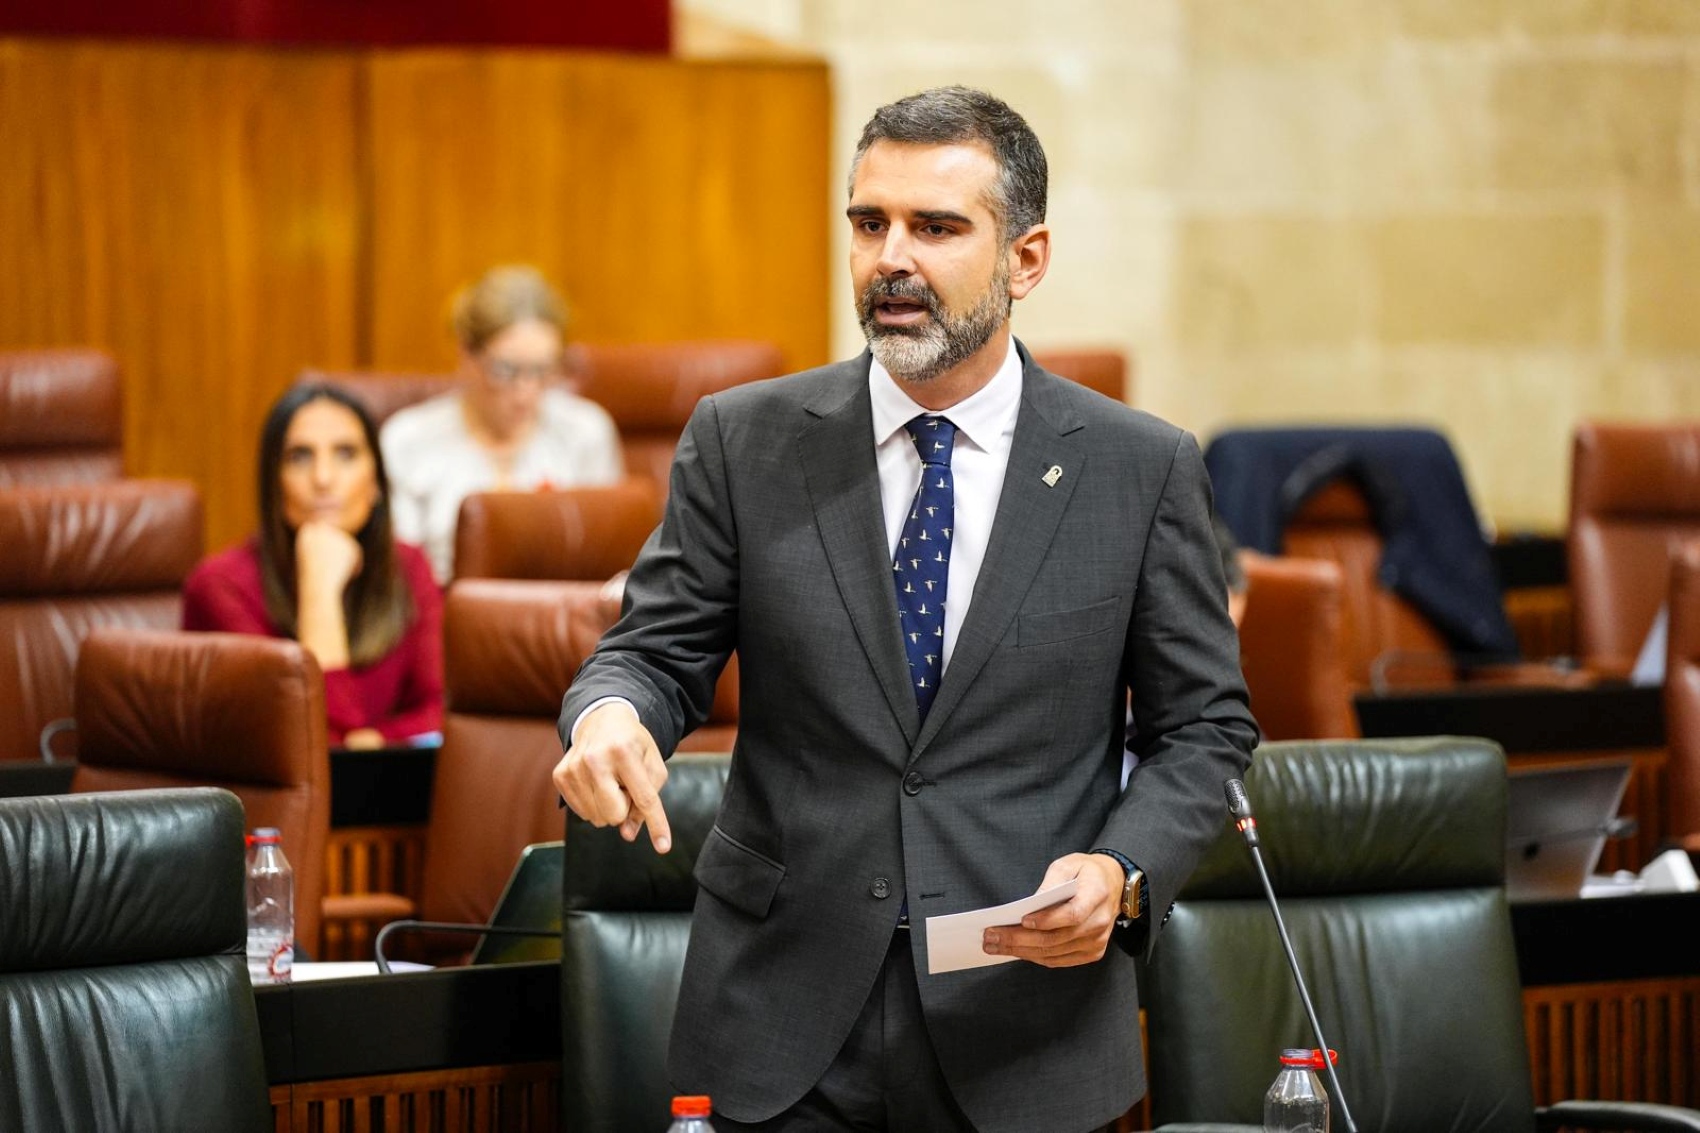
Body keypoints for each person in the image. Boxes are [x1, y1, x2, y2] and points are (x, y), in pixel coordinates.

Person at [554, 87, 1258, 1133]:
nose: (891, 256)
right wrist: (607, 714)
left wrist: (1119, 872)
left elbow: (1203, 731)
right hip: (779, 1021)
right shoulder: (743, 439)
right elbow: (652, 654)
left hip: (1024, 1027)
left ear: (1024, 259)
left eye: (934, 227)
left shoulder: (1137, 466)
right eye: (867, 222)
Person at [183, 384, 443, 749]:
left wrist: (371, 742)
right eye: (300, 457)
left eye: (346, 454)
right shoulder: (220, 586)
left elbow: (440, 712)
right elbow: (314, 746)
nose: (323, 478)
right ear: (274, 484)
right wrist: (319, 586)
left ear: (376, 483)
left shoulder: (409, 566)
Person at [380, 265, 624, 582]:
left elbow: (608, 554)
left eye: (543, 371)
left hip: (562, 616)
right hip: (445, 616)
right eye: (506, 370)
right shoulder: (407, 439)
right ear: (466, 353)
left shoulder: (585, 431)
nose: (526, 392)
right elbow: (403, 575)